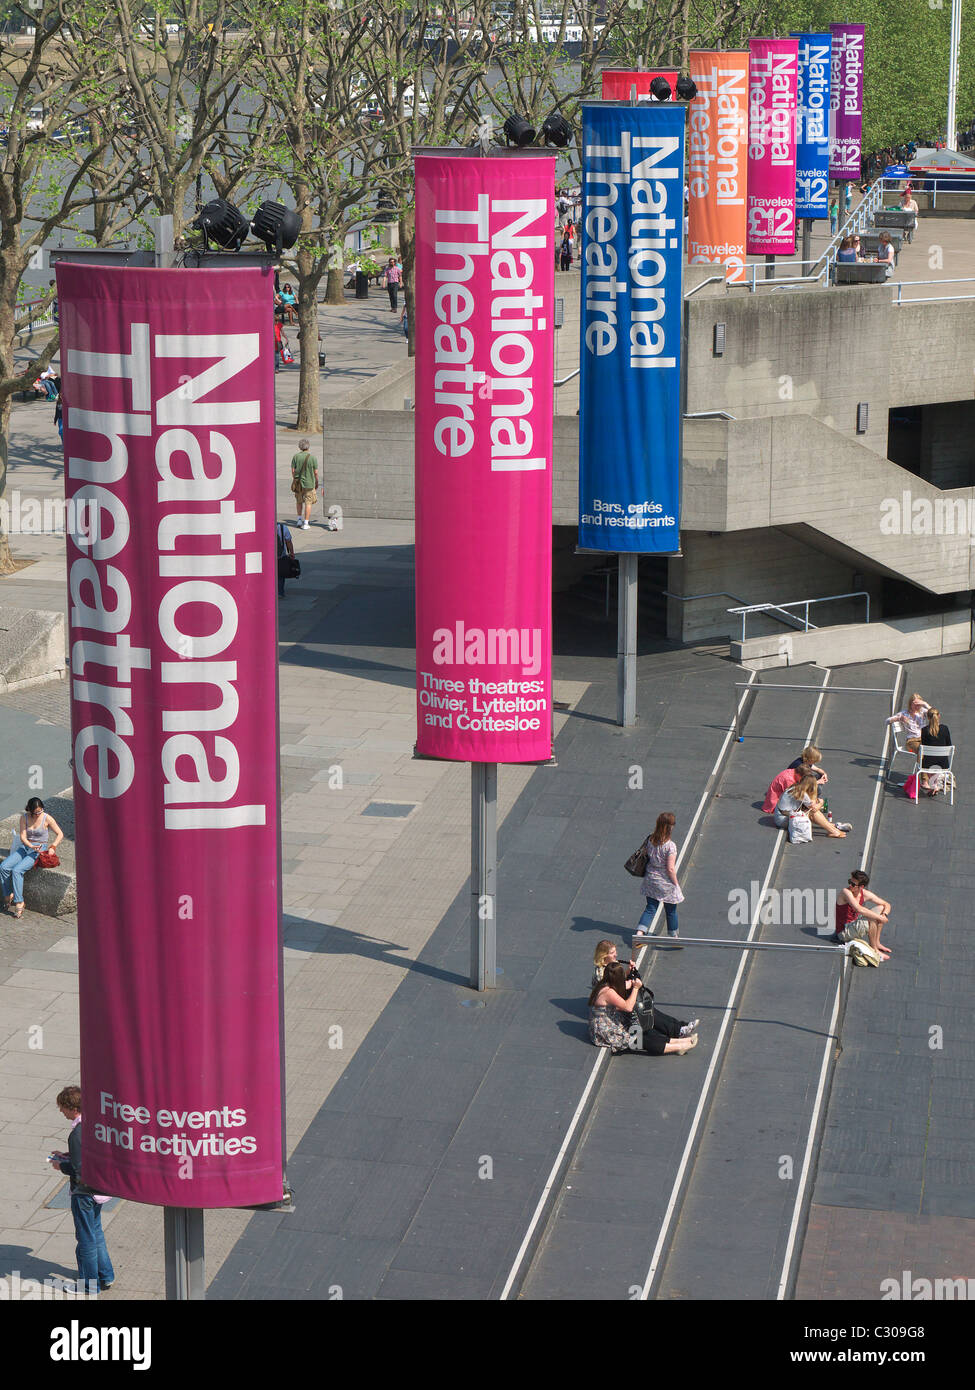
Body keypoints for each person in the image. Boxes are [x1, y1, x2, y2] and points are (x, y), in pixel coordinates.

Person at [48, 1086, 115, 1295]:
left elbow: (79, 1170)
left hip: (83, 1193)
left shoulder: (76, 1133)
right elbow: (88, 1155)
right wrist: (68, 1155)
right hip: (99, 1190)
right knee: (96, 1234)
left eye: (62, 1108)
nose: (61, 1112)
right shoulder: (93, 1125)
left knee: (85, 1239)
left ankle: (88, 1284)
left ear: (72, 1107)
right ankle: (106, 1276)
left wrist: (61, 1165)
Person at [588, 962, 698, 1056]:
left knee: (645, 1031)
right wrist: (636, 988)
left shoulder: (605, 984)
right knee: (641, 1040)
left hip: (611, 1022)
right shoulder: (608, 992)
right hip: (607, 1031)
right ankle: (679, 1047)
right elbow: (628, 1007)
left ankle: (677, 1041)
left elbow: (623, 985)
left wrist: (630, 977)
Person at [1, 797, 64, 918]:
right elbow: (23, 836)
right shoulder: (24, 817)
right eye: (36, 812)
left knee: (17, 870)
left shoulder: (47, 818)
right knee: (4, 866)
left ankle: (19, 902)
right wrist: (30, 846)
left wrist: (53, 846)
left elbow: (60, 834)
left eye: (40, 811)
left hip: (39, 849)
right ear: (30, 810)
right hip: (25, 847)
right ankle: (8, 894)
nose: (38, 814)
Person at [634, 811, 683, 941]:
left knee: (650, 908)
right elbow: (670, 868)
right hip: (665, 882)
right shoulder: (670, 846)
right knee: (671, 911)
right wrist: (676, 884)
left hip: (650, 878)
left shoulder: (650, 839)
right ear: (670, 827)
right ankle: (674, 936)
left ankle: (639, 933)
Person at [830, 869, 891, 959]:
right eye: (850, 882)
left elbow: (886, 904)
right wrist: (880, 918)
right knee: (872, 918)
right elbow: (859, 909)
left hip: (854, 925)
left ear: (861, 887)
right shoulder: (845, 892)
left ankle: (877, 943)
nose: (850, 885)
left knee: (881, 909)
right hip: (844, 932)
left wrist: (884, 915)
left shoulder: (865, 894)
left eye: (853, 884)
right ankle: (874, 949)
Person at [773, 775, 848, 838]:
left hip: (780, 814)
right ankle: (834, 830)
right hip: (782, 820)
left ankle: (833, 827)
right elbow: (814, 808)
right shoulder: (802, 793)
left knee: (811, 811)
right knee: (813, 812)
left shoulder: (796, 787)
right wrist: (821, 803)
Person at [918, 707, 952, 794]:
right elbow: (949, 745)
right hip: (943, 764)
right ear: (939, 716)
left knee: (925, 762)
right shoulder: (945, 728)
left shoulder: (924, 730)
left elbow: (924, 746)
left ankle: (933, 784)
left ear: (928, 718)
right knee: (937, 761)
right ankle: (935, 784)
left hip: (928, 763)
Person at [290, 439, 318, 529]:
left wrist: (295, 479)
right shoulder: (313, 458)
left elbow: (293, 471)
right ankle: (306, 523)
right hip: (309, 484)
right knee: (308, 502)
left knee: (299, 501)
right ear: (308, 447)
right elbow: (316, 472)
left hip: (298, 484)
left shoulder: (296, 457)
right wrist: (316, 481)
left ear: (300, 447)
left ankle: (299, 520)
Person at [276, 519, 296, 599]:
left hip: (267, 556)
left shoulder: (263, 527)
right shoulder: (282, 527)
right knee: (281, 574)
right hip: (281, 555)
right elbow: (288, 541)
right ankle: (280, 592)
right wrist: (292, 553)